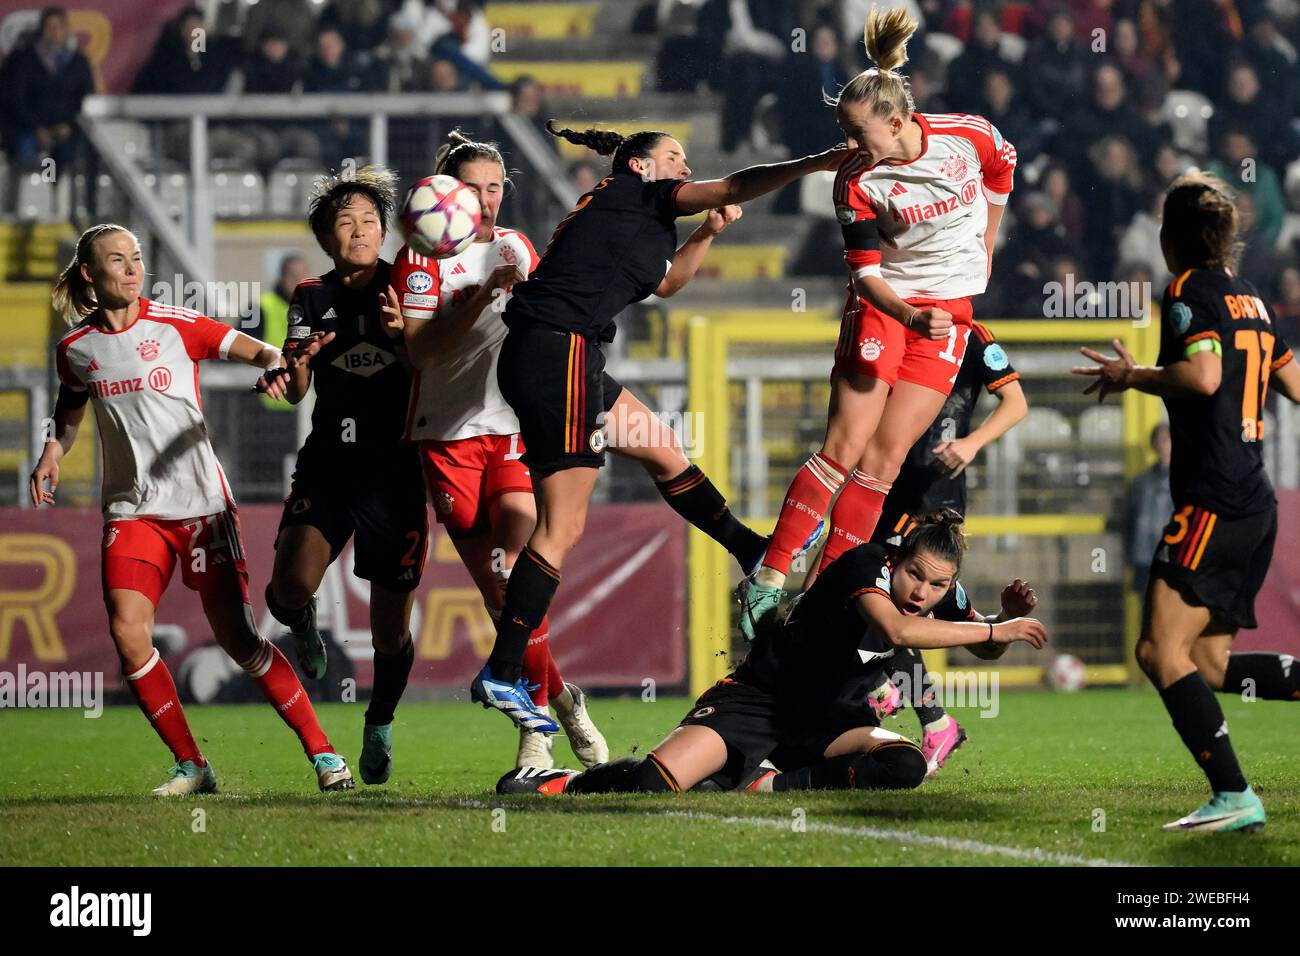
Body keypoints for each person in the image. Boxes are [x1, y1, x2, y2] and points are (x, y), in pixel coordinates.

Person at [472, 118, 846, 731]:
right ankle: (503, 671)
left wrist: (705, 233)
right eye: (674, 157)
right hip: (558, 352)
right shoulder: (632, 193)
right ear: (640, 166)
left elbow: (667, 283)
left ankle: (751, 551)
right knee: (561, 527)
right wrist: (811, 163)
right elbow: (735, 184)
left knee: (661, 448)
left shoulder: (636, 221)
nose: (684, 166)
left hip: (567, 354)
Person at [30, 223, 353, 795]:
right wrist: (54, 448)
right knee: (129, 633)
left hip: (202, 508)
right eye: (117, 260)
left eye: (136, 258)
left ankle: (325, 754)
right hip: (132, 513)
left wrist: (281, 365)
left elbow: (258, 350)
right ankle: (192, 765)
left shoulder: (178, 325)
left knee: (241, 642)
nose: (132, 269)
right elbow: (71, 404)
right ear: (89, 274)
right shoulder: (75, 350)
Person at [741, 7, 1016, 640]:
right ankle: (768, 578)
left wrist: (987, 245)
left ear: (898, 122)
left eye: (859, 132)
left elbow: (1003, 169)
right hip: (887, 308)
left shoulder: (968, 136)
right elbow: (866, 274)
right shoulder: (855, 179)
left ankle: (825, 592)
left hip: (948, 318)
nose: (851, 145)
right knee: (845, 449)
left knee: (885, 465)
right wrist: (909, 314)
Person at [497, 512, 1047, 796]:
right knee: (651, 785)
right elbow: (898, 632)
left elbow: (982, 649)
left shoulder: (943, 592)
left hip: (831, 722)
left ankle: (771, 783)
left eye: (937, 585)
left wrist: (995, 621)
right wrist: (996, 632)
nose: (923, 592)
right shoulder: (863, 565)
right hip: (760, 701)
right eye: (915, 576)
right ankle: (559, 781)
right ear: (897, 557)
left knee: (904, 764)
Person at [1072, 172, 1300, 832]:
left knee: (1158, 654)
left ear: (1172, 238)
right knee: (1210, 662)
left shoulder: (1185, 291)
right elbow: (1293, 384)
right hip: (1255, 502)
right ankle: (1233, 793)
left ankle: (1233, 794)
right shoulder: (1253, 299)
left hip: (1212, 500)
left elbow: (1201, 377)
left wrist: (1132, 375)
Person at [392, 130, 608, 768]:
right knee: (498, 596)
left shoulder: (514, 245)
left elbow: (547, 326)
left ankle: (533, 733)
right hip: (445, 437)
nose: (486, 200)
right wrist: (484, 296)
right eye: (473, 188)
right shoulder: (419, 259)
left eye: (494, 188)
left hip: (513, 429)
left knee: (518, 579)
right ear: (446, 193)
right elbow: (421, 352)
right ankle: (563, 700)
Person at [254, 166, 428, 787]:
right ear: (327, 239)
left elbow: (430, 359)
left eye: (370, 221)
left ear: (385, 231)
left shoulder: (409, 283)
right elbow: (299, 384)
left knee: (389, 629)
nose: (360, 231)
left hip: (397, 475)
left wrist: (402, 334)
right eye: (346, 223)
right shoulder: (311, 295)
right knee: (288, 589)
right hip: (330, 465)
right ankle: (302, 627)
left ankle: (378, 722)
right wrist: (292, 368)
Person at [831, 321, 1027, 775]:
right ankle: (890, 692)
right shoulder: (895, 322)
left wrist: (971, 444)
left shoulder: (973, 337)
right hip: (882, 487)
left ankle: (924, 713)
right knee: (873, 600)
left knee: (895, 600)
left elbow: (1017, 403)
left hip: (931, 497)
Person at [1123, 423, 1173, 597]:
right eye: (1162, 440)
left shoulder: (1189, 480)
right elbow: (1130, 520)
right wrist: (1129, 555)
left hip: (1174, 558)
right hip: (1145, 558)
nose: (1166, 445)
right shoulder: (1141, 483)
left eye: (1170, 440)